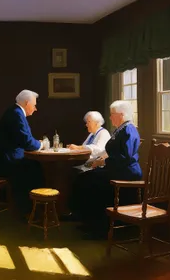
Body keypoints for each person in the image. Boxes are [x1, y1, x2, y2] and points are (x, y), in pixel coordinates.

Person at [71, 100, 142, 238]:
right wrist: (102, 161)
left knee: (90, 181)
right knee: (84, 177)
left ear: (121, 115)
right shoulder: (122, 129)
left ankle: (98, 228)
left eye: (112, 114)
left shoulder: (128, 130)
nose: (109, 118)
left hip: (126, 173)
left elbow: (124, 158)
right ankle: (88, 221)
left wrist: (103, 162)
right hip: (119, 169)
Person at [0, 89, 43, 216]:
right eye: (34, 105)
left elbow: (24, 140)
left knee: (35, 167)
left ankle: (32, 209)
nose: (35, 109)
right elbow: (27, 142)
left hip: (7, 159)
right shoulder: (16, 114)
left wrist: (36, 143)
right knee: (35, 169)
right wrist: (42, 144)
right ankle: (29, 211)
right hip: (5, 162)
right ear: (27, 103)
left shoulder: (14, 112)